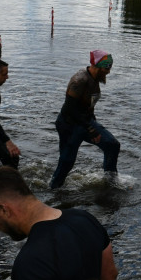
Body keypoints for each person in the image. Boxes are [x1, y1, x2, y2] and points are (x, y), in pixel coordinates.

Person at [50, 51, 121, 189]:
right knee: (67, 162)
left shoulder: (95, 78)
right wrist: (91, 129)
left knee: (112, 145)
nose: (109, 72)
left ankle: (110, 181)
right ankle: (54, 190)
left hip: (85, 122)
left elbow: (87, 104)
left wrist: (92, 122)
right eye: (107, 68)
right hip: (69, 124)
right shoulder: (80, 80)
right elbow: (69, 109)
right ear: (98, 66)